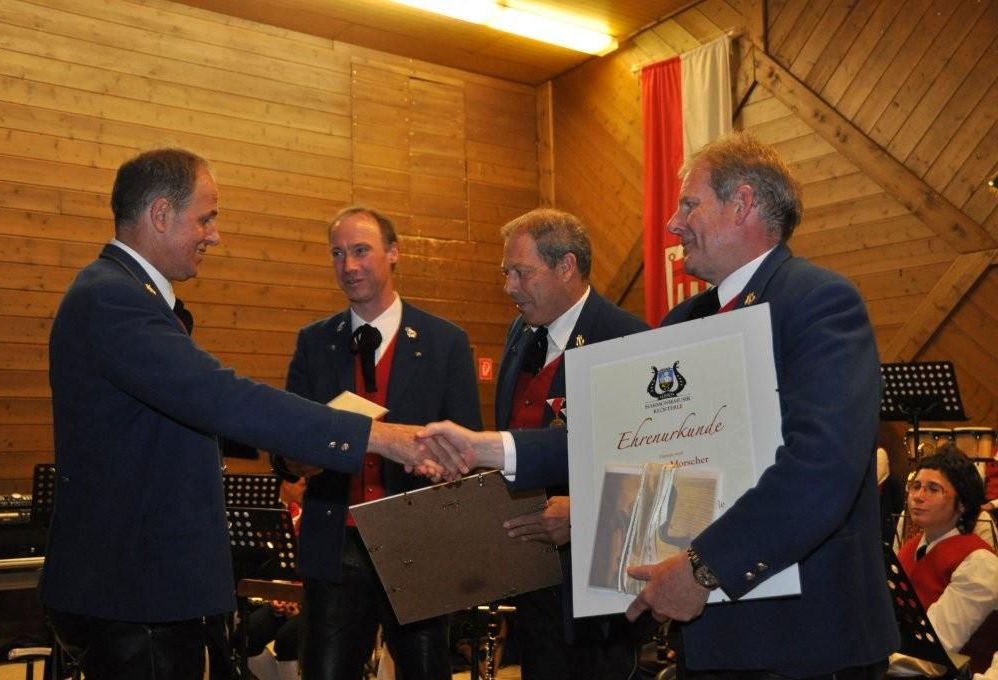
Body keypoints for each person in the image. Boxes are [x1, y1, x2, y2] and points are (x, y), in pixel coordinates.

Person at [419, 132, 901, 678]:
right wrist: (490, 449)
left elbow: (821, 469)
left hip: (808, 640)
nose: (673, 224)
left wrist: (701, 568)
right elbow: (613, 441)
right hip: (708, 637)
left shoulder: (818, 302)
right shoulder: (685, 320)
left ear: (743, 203)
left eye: (689, 204)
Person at [42, 149, 444, 680]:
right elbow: (223, 397)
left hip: (144, 585)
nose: (214, 235)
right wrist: (379, 436)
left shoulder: (120, 292)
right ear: (161, 214)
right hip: (135, 590)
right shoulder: (114, 299)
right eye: (205, 218)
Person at [270, 205, 482, 680]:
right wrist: (298, 459)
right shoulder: (313, 342)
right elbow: (284, 451)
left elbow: (468, 448)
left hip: (417, 544)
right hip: (336, 543)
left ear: (394, 252)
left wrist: (444, 465)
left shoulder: (445, 342)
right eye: (337, 254)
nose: (349, 265)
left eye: (361, 250)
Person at [490, 208, 648, 679]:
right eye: (506, 273)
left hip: (598, 595)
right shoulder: (519, 333)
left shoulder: (627, 338)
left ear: (566, 266)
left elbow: (652, 468)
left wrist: (582, 514)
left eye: (522, 272)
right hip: (533, 578)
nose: (509, 287)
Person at [891, 447, 998, 676]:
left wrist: (867, 658)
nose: (918, 496)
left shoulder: (979, 563)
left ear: (962, 503)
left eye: (933, 489)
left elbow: (934, 652)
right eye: (916, 486)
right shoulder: (910, 548)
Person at [242, 477, 306, 680]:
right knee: (246, 635)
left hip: (313, 600)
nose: (305, 490)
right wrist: (279, 595)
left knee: (286, 640)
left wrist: (300, 601)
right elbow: (283, 566)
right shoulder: (293, 519)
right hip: (290, 596)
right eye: (302, 484)